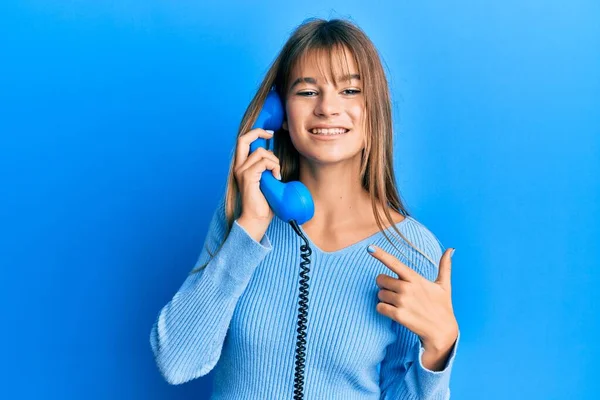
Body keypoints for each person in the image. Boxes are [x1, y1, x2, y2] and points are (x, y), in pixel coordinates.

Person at [150, 17, 460, 399]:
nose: (328, 108)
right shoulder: (242, 214)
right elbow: (177, 361)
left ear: (373, 108)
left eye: (349, 90)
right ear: (278, 112)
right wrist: (248, 231)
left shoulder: (409, 251)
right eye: (307, 92)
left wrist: (439, 351)